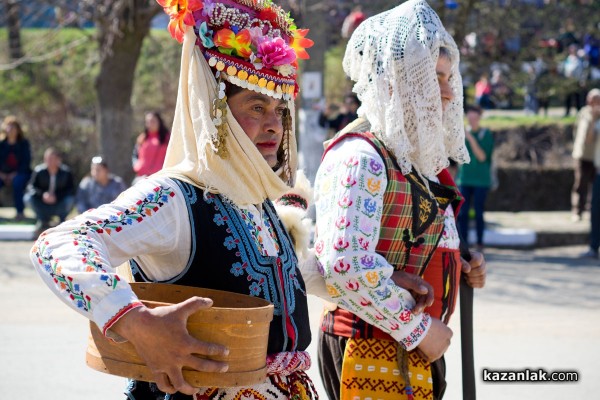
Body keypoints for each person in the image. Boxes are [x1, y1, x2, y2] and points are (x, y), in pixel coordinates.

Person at [30, 1, 319, 398]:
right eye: (256, 107)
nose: (273, 123)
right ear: (217, 114)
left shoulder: (256, 197)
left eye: (279, 110)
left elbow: (291, 278)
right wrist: (133, 320)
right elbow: (58, 244)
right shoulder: (174, 198)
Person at [313, 1, 486, 399]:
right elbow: (343, 265)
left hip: (407, 345)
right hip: (370, 344)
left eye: (447, 78)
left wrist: (459, 264)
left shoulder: (412, 157)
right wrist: (420, 329)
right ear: (395, 81)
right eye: (434, 78)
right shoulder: (362, 157)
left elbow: (409, 241)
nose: (447, 92)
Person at [457, 105, 495, 251]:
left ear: (479, 118)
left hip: (481, 180)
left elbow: (482, 156)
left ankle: (480, 242)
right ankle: (464, 243)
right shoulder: (462, 134)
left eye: (475, 118)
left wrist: (470, 138)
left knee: (479, 211)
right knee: (463, 213)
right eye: (469, 117)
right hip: (464, 179)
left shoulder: (485, 135)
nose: (472, 121)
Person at [24, 147, 75, 234]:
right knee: (28, 198)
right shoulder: (39, 171)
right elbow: (31, 187)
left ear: (58, 160)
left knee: (70, 199)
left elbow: (71, 190)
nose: (49, 161)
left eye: (52, 159)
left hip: (59, 203)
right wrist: (42, 195)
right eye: (47, 159)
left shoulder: (66, 172)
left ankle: (62, 220)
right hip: (43, 203)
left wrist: (56, 197)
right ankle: (42, 220)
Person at [571, 89, 600, 222]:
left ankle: (591, 212)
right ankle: (577, 211)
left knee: (595, 187)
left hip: (596, 157)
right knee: (580, 184)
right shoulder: (584, 113)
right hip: (582, 155)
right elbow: (581, 134)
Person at [580, 88, 600, 259]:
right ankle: (594, 246)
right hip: (599, 172)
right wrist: (594, 118)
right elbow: (588, 140)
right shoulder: (593, 117)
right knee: (595, 210)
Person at [0, 115, 31, 221]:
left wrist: (15, 174)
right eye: (9, 127)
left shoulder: (24, 143)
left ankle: (20, 212)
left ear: (18, 130)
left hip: (20, 173)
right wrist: (2, 174)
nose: (11, 130)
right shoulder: (1, 144)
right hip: (2, 174)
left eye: (13, 127)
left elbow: (26, 162)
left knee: (18, 183)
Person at [132, 111, 170, 183]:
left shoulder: (167, 138)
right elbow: (135, 154)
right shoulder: (142, 138)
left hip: (161, 178)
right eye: (148, 122)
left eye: (153, 121)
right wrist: (136, 166)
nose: (150, 124)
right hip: (141, 177)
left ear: (159, 122)